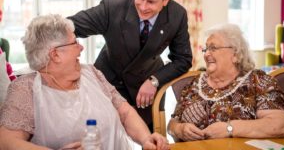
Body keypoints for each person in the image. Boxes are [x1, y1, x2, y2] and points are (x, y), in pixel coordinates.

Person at [0, 14, 169, 150]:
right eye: (75, 42)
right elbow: (7, 142)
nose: (81, 48)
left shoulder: (92, 73)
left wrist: (146, 139)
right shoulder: (25, 89)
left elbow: (125, 113)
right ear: (55, 54)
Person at [67, 0, 192, 129]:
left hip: (147, 83)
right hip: (109, 80)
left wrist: (155, 81)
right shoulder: (112, 8)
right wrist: (43, 32)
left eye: (151, 2)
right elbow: (71, 26)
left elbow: (183, 59)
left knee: (150, 136)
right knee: (103, 134)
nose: (143, 6)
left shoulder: (177, 15)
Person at [167, 23, 284, 141]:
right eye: (206, 49)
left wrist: (230, 128)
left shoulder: (258, 81)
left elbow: (281, 124)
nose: (206, 54)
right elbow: (172, 123)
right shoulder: (194, 84)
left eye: (213, 48)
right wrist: (179, 129)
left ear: (236, 55)